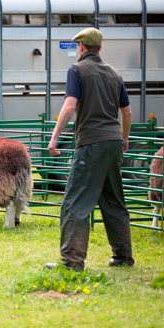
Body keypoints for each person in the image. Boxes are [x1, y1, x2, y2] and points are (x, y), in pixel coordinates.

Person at [46, 28, 134, 272]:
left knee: (75, 203)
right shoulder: (115, 74)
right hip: (113, 143)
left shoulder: (77, 70)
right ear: (100, 48)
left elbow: (70, 105)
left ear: (81, 47)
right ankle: (123, 257)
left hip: (91, 143)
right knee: (114, 201)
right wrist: (124, 139)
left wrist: (54, 139)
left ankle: (71, 262)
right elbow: (126, 111)